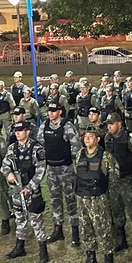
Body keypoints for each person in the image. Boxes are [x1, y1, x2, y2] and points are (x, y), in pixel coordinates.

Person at [74, 124, 119, 263]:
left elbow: (114, 178)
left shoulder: (105, 156)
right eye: (85, 136)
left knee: (103, 229)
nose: (87, 139)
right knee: (85, 228)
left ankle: (108, 260)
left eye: (91, 136)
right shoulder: (80, 154)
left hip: (99, 199)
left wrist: (108, 196)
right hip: (82, 198)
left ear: (98, 139)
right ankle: (91, 257)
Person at [2, 120, 49, 263]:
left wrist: (29, 188)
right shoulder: (12, 148)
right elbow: (4, 165)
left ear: (27, 132)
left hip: (31, 192)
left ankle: (42, 249)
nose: (17, 133)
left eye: (20, 131)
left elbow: (40, 171)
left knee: (36, 220)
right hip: (16, 191)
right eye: (16, 131)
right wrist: (8, 173)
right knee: (19, 219)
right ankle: (19, 246)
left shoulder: (37, 149)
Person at [102, 113, 132, 257]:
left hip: (128, 179)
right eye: (108, 124)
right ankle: (122, 238)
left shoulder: (130, 138)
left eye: (112, 123)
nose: (109, 126)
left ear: (119, 124)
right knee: (116, 209)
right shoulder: (107, 138)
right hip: (113, 181)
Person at [42, 101, 81, 246]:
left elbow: (76, 146)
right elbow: (40, 144)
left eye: (53, 110)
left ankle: (75, 230)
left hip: (66, 169)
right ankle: (57, 230)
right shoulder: (44, 126)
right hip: (51, 169)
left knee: (71, 199)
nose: (50, 113)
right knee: (54, 200)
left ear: (60, 112)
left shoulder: (67, 126)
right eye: (49, 111)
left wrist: (69, 159)